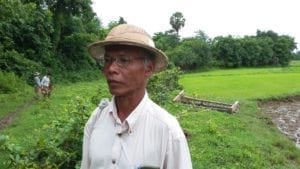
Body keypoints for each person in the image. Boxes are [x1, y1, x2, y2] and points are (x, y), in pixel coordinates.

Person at [81, 24, 192, 169]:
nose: (111, 69)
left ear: (148, 69)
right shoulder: (96, 120)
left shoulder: (167, 129)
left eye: (124, 60)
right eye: (107, 60)